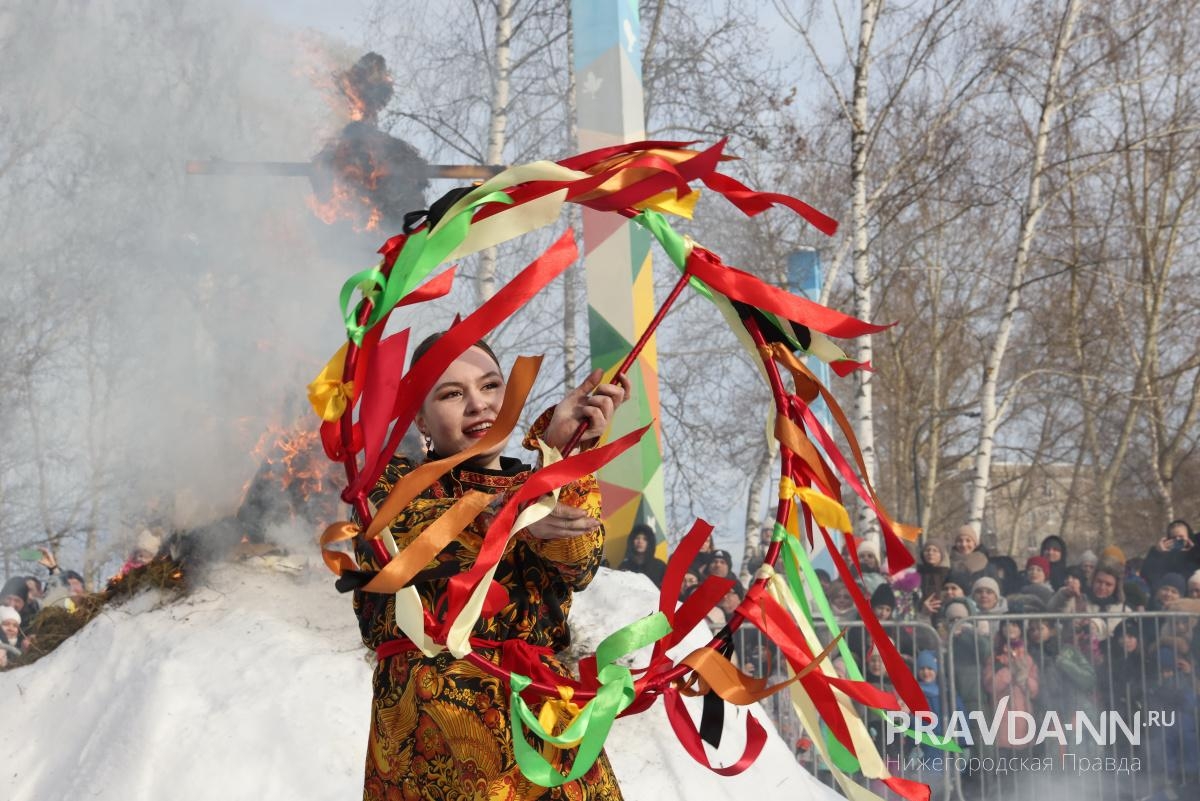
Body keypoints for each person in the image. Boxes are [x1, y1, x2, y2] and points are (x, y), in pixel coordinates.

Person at [351, 334, 631, 801]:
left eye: (490, 386)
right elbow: (406, 547)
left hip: (539, 731)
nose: (478, 405)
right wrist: (506, 515)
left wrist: (559, 455)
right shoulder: (388, 488)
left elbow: (580, 562)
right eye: (452, 393)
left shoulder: (540, 483)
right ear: (419, 416)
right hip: (428, 741)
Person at [1141, 519, 1200, 589]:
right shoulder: (1163, 555)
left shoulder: (1195, 552)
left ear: (1188, 537)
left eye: (1181, 537)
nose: (1178, 539)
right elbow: (1147, 575)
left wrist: (1195, 551)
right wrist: (1157, 553)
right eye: (1174, 538)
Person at [615, 523, 667, 588]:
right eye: (637, 538)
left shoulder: (660, 567)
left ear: (650, 543)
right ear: (632, 541)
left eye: (645, 539)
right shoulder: (624, 566)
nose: (640, 541)